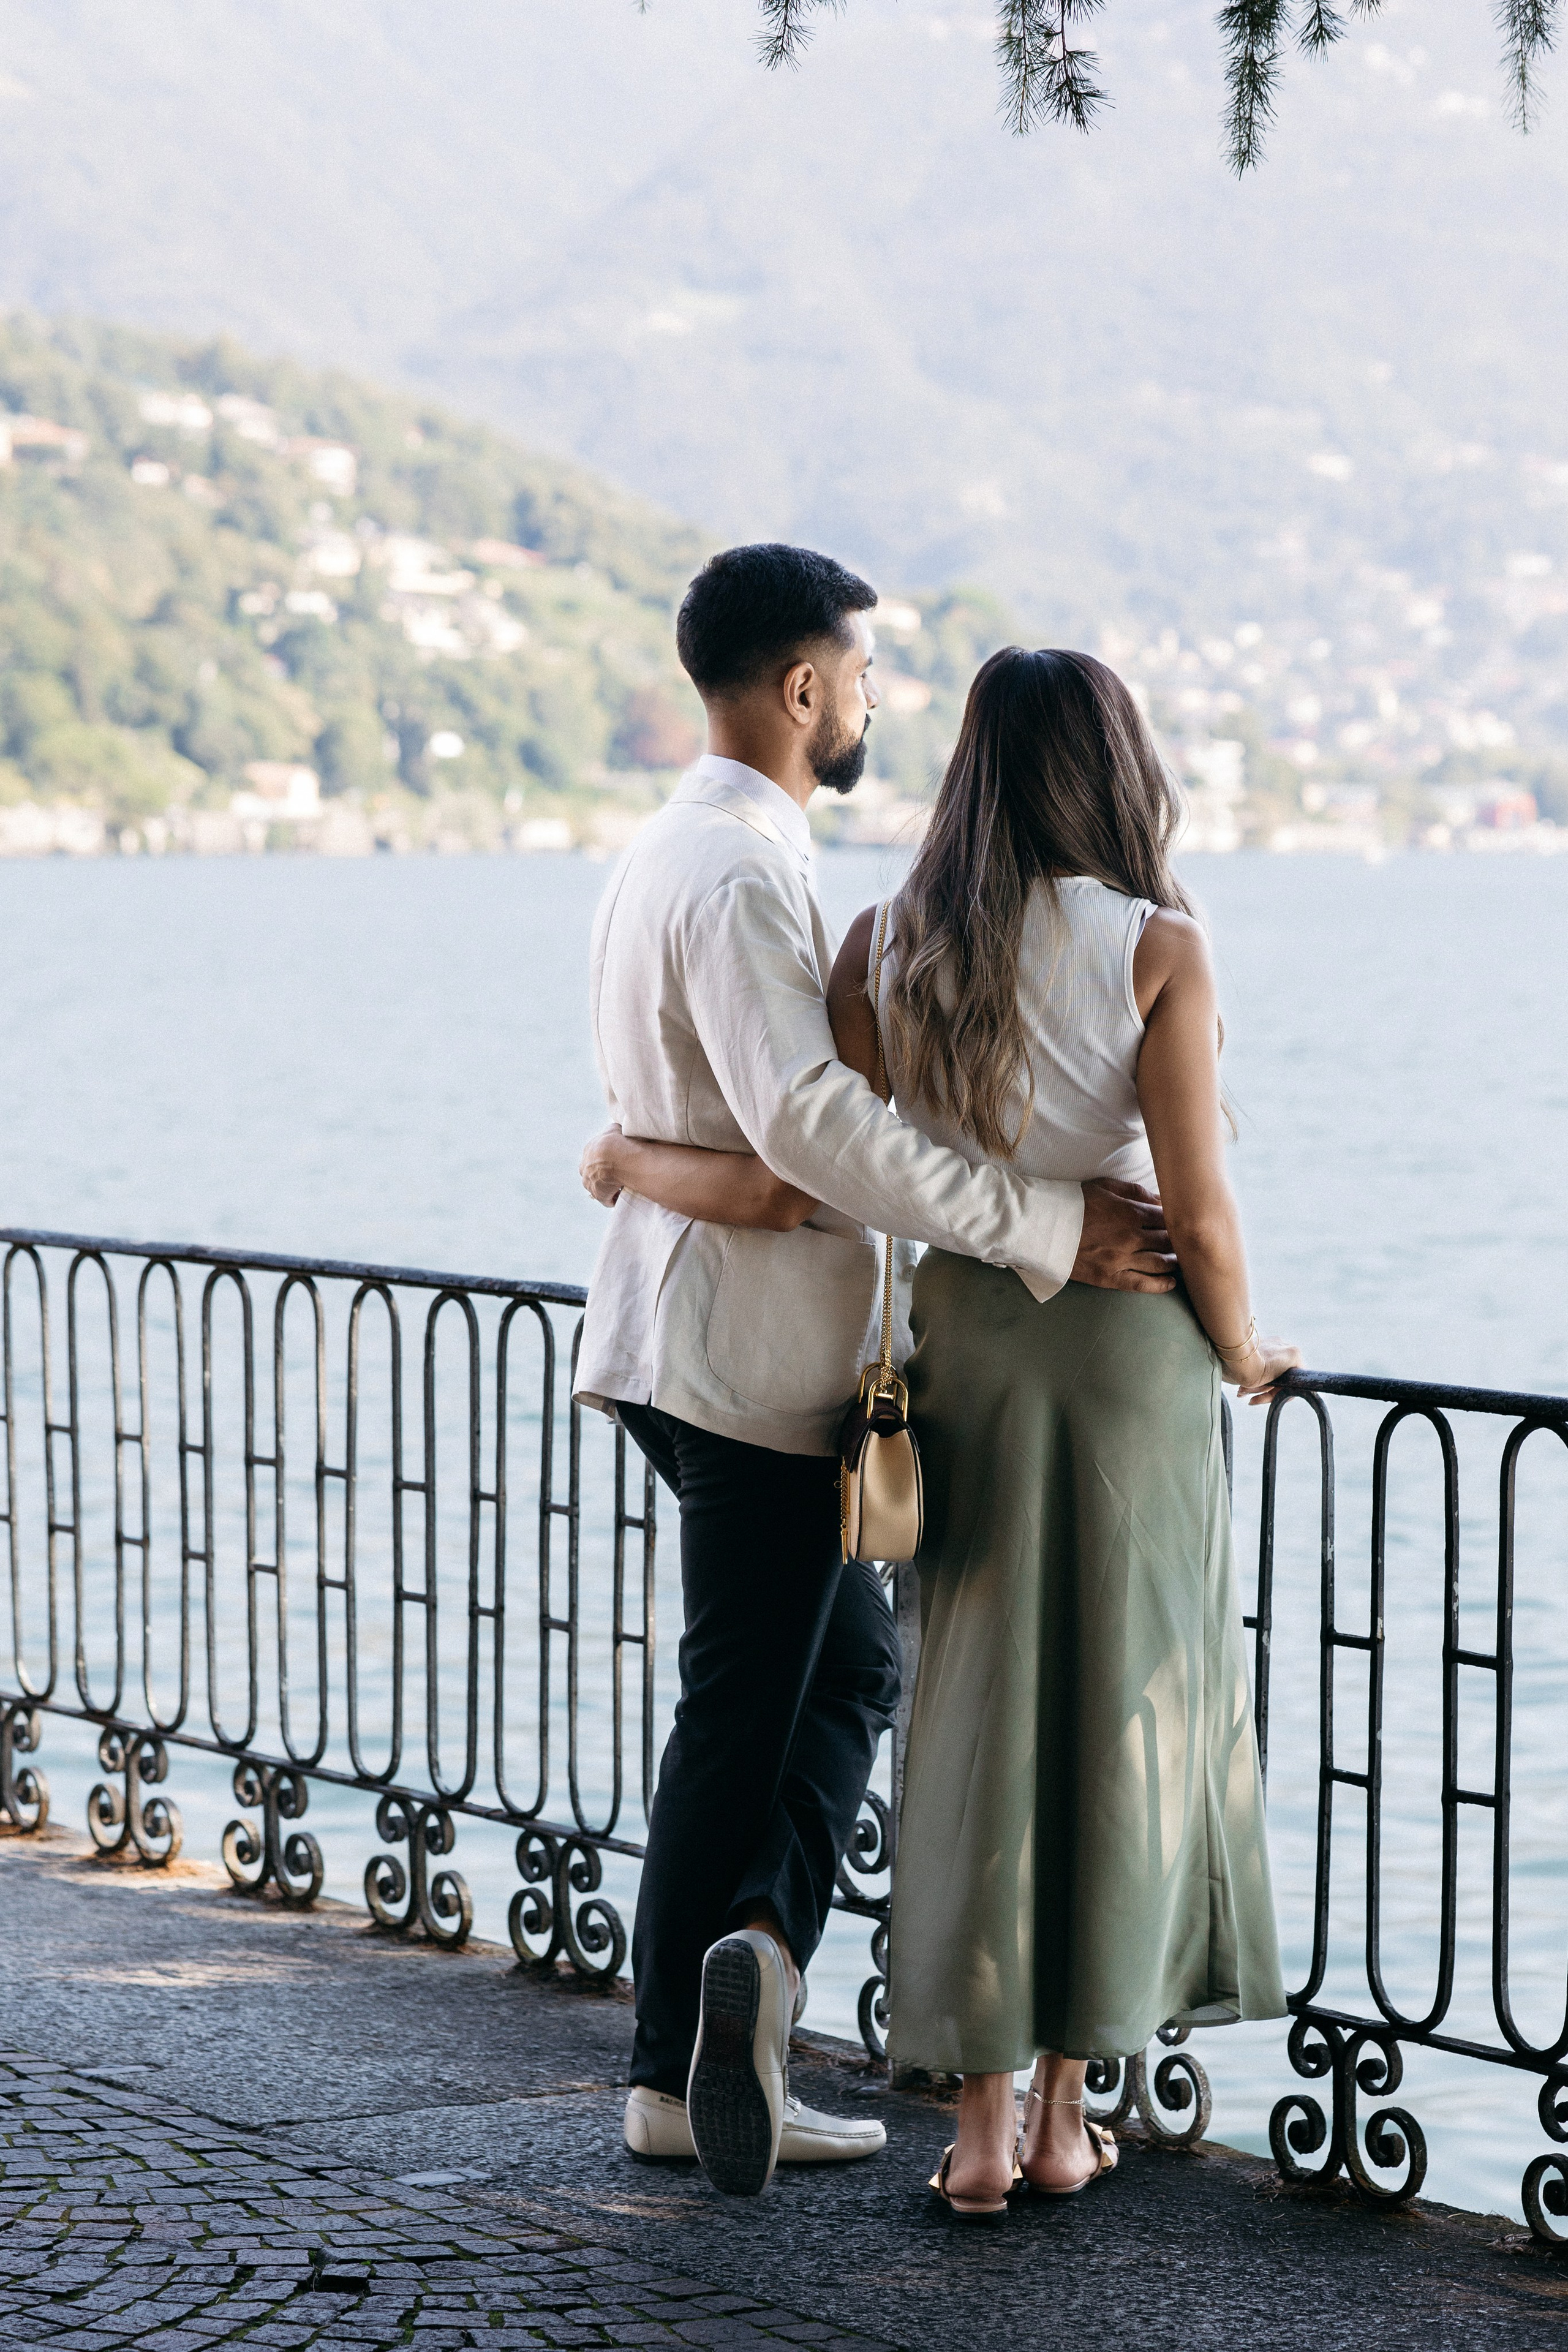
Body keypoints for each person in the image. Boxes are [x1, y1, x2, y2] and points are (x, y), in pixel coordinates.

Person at [584, 640, 1292, 2218]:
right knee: (1120, 1715)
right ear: (1117, 770)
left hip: (961, 1344)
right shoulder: (1160, 946)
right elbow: (1203, 1209)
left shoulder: (887, 940)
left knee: (967, 1709)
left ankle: (969, 2133)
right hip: (1125, 1353)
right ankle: (1060, 2119)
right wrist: (1246, 1352)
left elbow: (808, 1153)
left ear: (974, 771)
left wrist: (640, 1162)